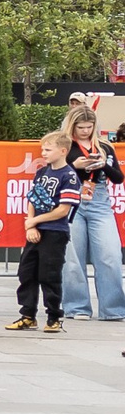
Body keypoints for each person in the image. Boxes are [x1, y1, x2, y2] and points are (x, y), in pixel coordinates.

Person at [56, 105, 124, 322]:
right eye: (80, 127)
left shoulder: (104, 146)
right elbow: (52, 173)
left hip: (99, 201)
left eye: (89, 126)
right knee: (73, 258)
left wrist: (103, 165)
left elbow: (118, 178)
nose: (85, 131)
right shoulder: (63, 145)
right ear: (72, 126)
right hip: (71, 200)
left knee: (110, 255)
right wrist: (73, 165)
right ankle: (77, 307)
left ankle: (113, 309)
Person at [9, 130, 80, 333]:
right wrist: (31, 225)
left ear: (63, 151)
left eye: (48, 149)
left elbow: (63, 210)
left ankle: (54, 316)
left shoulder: (69, 177)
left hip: (55, 231)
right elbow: (33, 198)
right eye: (43, 149)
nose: (44, 152)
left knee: (49, 274)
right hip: (36, 230)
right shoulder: (42, 173)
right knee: (27, 272)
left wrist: (35, 221)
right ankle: (27, 315)